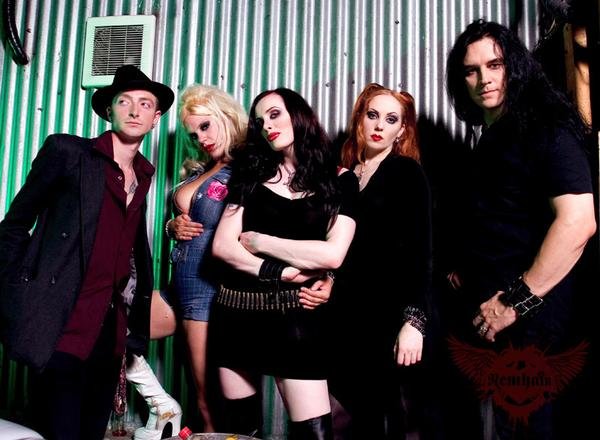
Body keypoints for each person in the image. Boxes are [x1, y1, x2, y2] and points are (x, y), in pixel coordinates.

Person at [0, 65, 174, 440]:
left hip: (110, 332)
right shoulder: (68, 153)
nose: (134, 110)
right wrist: (17, 296)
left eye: (145, 104)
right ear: (108, 110)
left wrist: (132, 327)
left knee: (92, 431)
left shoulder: (143, 175)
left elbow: (131, 251)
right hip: (59, 322)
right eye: (124, 102)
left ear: (156, 118)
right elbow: (14, 225)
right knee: (57, 430)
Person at [444, 19, 596, 438]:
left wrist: (515, 302)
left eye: (494, 65)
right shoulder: (491, 138)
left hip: (533, 323)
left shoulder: (545, 128)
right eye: (471, 70)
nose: (484, 79)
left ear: (515, 66)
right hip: (497, 322)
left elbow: (578, 222)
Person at [210, 87, 358, 439]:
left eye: (275, 114)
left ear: (298, 115)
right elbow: (223, 247)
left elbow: (333, 254)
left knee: (314, 434)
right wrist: (280, 270)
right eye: (260, 121)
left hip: (297, 320)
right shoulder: (249, 175)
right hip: (238, 312)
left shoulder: (340, 179)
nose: (267, 126)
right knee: (239, 432)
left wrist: (261, 242)